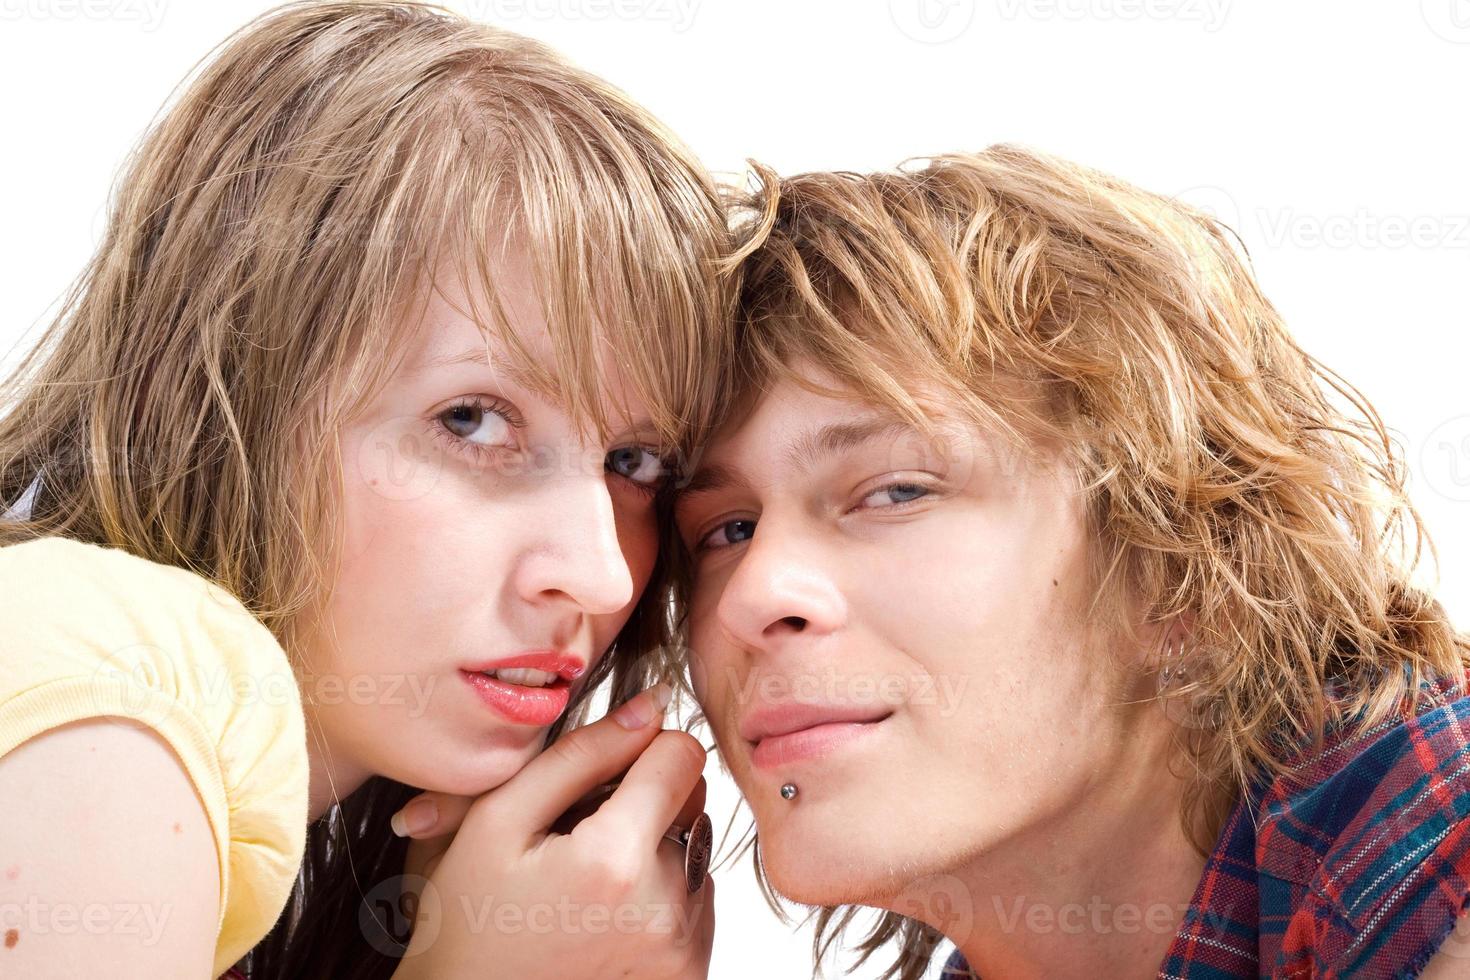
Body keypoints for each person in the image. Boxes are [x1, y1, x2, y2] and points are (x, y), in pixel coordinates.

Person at [0, 2, 730, 977]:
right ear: (236, 385)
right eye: (472, 421)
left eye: (636, 462)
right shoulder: (98, 686)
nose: (602, 576)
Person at [666, 146, 1470, 978]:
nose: (752, 594)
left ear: (1182, 570)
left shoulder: (1435, 838)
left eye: (897, 491)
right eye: (725, 529)